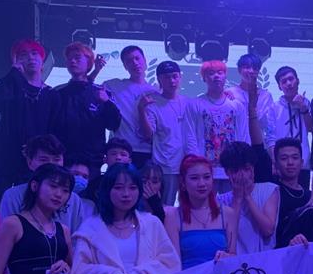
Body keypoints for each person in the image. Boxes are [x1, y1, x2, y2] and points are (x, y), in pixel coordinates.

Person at [71, 163, 180, 274]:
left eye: (133, 188)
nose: (126, 194)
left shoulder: (152, 223)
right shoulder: (90, 227)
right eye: (118, 187)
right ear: (107, 190)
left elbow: (171, 264)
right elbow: (79, 270)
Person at [0, 39, 59, 210]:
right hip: (3, 158)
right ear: (16, 61)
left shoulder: (51, 94)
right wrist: (13, 74)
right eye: (23, 55)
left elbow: (53, 128)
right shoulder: (10, 85)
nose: (30, 58)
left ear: (42, 60)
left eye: (34, 53)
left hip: (35, 161)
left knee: (29, 206)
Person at [52, 41, 121, 178]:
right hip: (64, 160)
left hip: (93, 161)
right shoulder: (58, 93)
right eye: (69, 58)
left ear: (89, 62)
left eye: (77, 57)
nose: (73, 61)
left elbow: (114, 124)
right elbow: (51, 127)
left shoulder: (102, 92)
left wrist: (107, 102)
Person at [0, 134, 84, 233]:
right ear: (29, 162)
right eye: (44, 160)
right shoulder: (12, 196)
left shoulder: (74, 200)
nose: (51, 164)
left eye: (57, 160)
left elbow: (78, 236)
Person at [139, 61, 197, 206]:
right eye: (166, 77)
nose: (172, 81)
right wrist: (141, 110)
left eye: (175, 76)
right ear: (159, 79)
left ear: (180, 77)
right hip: (165, 165)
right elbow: (148, 135)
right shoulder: (153, 104)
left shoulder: (189, 102)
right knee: (166, 206)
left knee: (189, 206)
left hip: (188, 164)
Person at [187, 60, 249, 192]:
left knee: (232, 204)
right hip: (205, 172)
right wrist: (196, 165)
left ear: (225, 76)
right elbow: (190, 137)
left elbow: (243, 137)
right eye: (211, 73)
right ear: (204, 78)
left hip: (231, 170)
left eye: (220, 72)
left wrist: (242, 165)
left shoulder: (237, 105)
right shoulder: (195, 104)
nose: (216, 76)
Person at [101, 45, 160, 168]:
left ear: (145, 60)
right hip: (121, 150)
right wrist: (96, 69)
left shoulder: (156, 92)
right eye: (129, 61)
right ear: (125, 66)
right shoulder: (113, 85)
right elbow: (89, 88)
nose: (135, 63)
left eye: (137, 58)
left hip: (147, 151)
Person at [217, 142, 279, 254]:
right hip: (235, 260)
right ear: (227, 172)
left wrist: (248, 197)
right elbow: (228, 237)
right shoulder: (221, 201)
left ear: (253, 169)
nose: (242, 175)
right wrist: (237, 199)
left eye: (246, 169)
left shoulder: (269, 190)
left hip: (265, 258)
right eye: (236, 171)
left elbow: (268, 230)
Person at [272, 66, 312, 189]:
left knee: (303, 196)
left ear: (298, 81)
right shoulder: (274, 107)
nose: (289, 84)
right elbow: (270, 138)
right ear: (279, 87)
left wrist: (303, 108)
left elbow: (311, 128)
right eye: (284, 81)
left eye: (291, 79)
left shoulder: (307, 103)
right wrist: (274, 162)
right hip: (282, 164)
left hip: (303, 162)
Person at [227, 53, 276, 151]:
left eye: (255, 68)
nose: (251, 71)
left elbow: (266, 125)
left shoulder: (266, 96)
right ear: (239, 70)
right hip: (234, 145)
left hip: (257, 144)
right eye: (247, 67)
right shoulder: (229, 93)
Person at [273, 138, 311, 240]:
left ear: (302, 162)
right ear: (276, 165)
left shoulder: (311, 196)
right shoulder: (273, 193)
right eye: (284, 158)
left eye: (295, 158)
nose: (290, 162)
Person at [80, 137, 134, 204]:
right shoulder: (95, 183)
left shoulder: (134, 182)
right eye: (113, 154)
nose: (118, 157)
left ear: (129, 161)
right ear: (105, 159)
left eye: (123, 154)